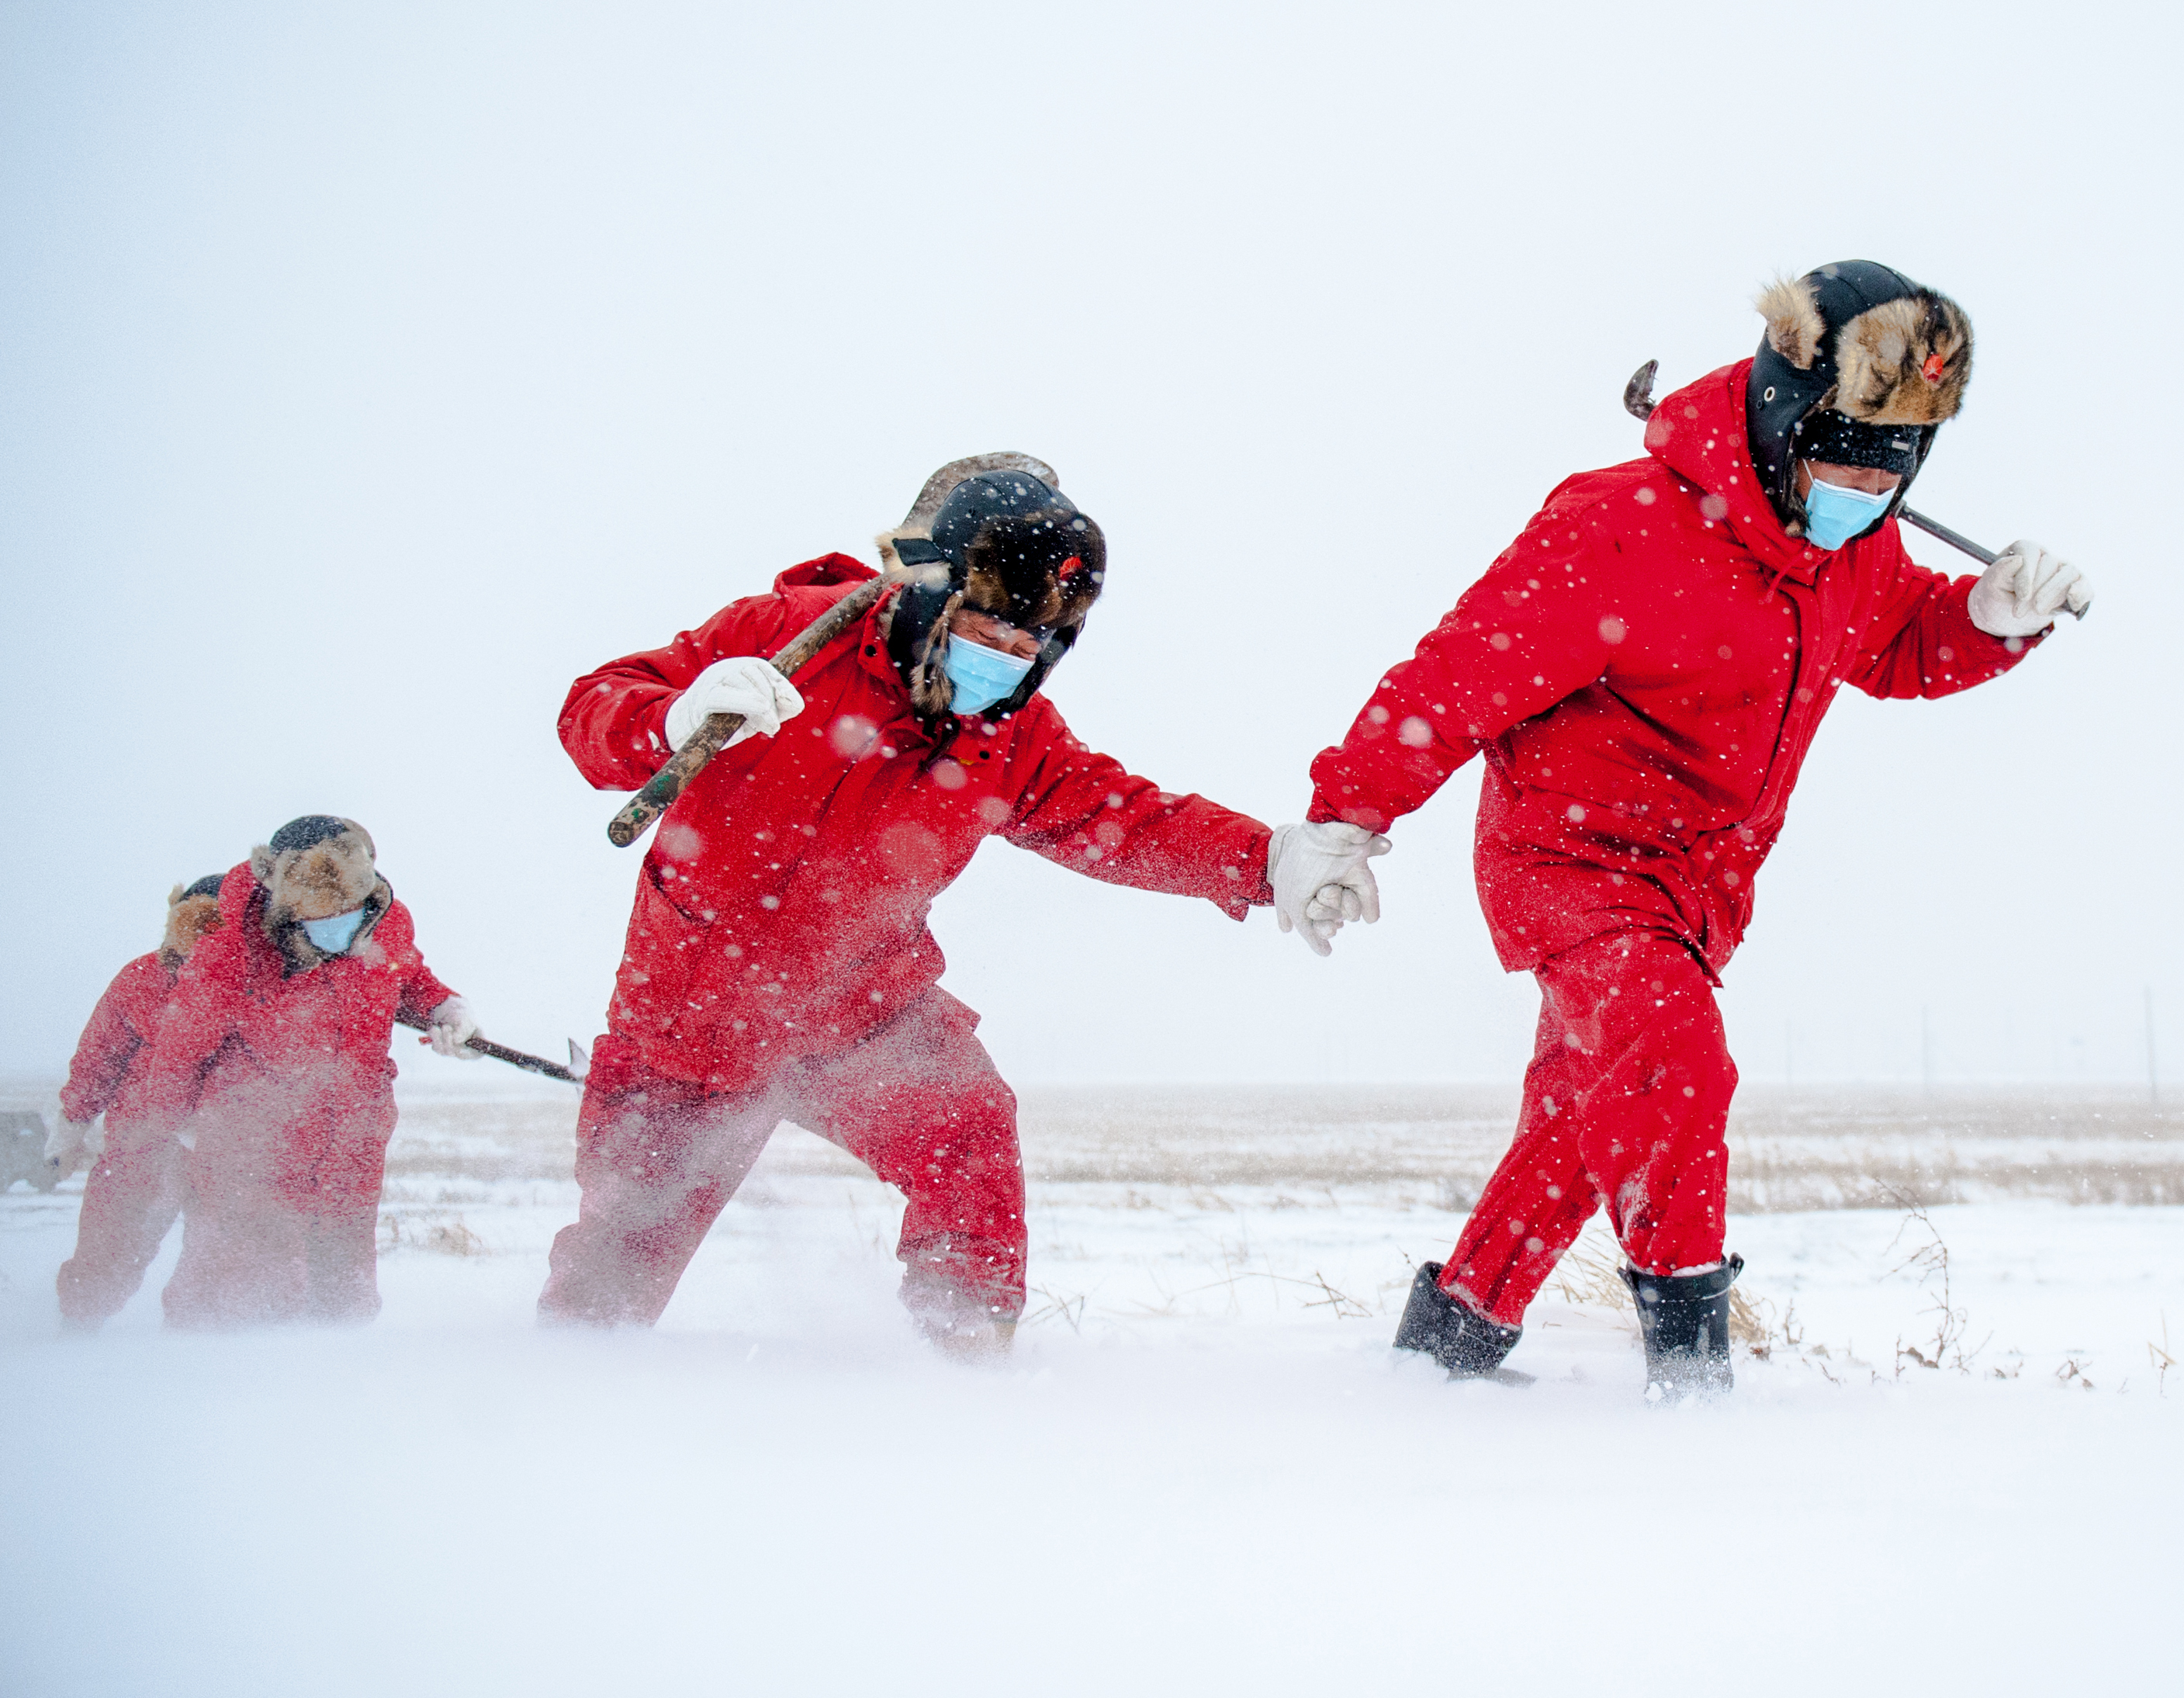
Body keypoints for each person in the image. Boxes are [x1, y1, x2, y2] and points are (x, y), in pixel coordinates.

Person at [1302, 262, 2092, 1395]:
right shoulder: (1618, 525)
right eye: (1842, 456)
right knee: (1672, 1064)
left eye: (1893, 468)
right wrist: (1346, 816)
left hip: (1702, 886)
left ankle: (1452, 1342)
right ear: (1782, 418)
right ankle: (1690, 1378)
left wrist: (1986, 618)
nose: (1864, 487)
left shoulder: (1851, 555)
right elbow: (1458, 677)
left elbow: (1900, 646)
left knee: (1583, 1113)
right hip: (1564, 856)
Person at [539, 453, 1378, 1354]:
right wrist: (665, 719)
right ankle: (564, 1399)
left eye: (1031, 647)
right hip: (690, 1019)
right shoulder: (782, 638)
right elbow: (593, 707)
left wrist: (1264, 859)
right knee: (610, 1285)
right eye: (988, 628)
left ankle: (960, 1369)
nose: (1006, 660)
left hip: (860, 1010)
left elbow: (1118, 816)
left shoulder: (1005, 736)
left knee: (968, 1136)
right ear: (929, 592)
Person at [122, 816, 485, 1327]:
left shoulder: (385, 921)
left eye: (351, 911)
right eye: (324, 915)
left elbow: (408, 977)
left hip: (354, 1140)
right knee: (241, 1286)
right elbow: (180, 1054)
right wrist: (173, 1124)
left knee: (344, 1278)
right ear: (286, 902)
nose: (342, 924)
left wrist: (444, 1008)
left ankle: (338, 1378)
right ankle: (207, 1371)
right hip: (251, 1150)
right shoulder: (232, 952)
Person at [50, 873, 227, 1325]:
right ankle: (77, 1329)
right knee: (109, 1251)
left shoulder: (257, 986)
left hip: (227, 1152)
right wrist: (72, 1125)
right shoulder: (142, 978)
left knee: (216, 1263)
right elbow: (98, 1060)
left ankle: (194, 1352)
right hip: (142, 1145)